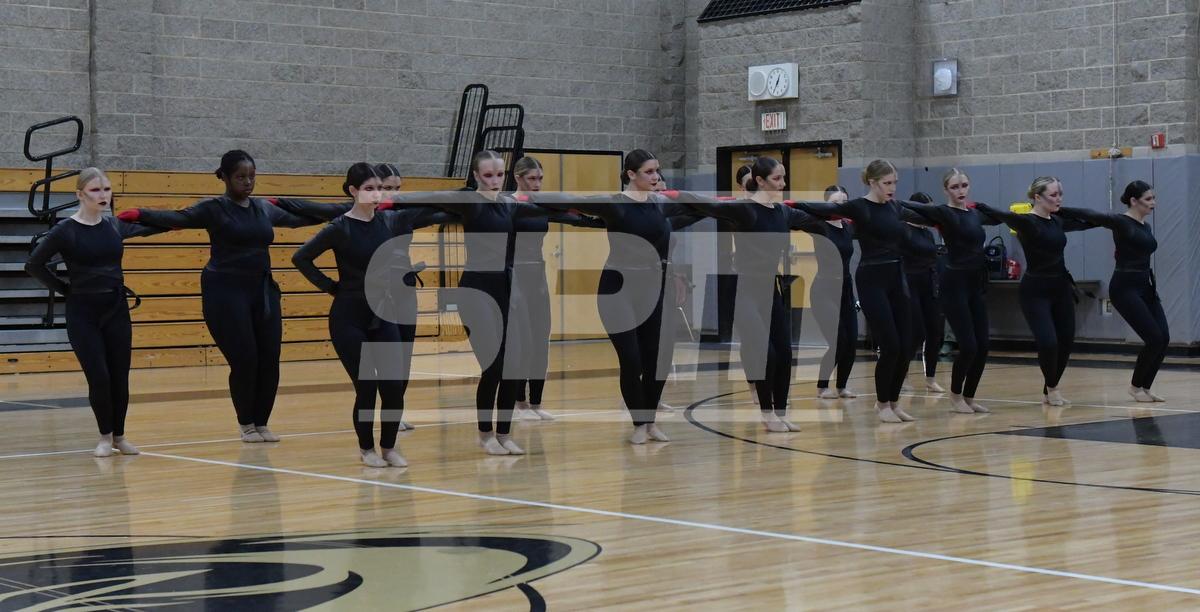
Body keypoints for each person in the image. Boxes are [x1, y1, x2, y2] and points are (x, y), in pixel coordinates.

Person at [117, 150, 323, 442]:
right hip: (225, 292)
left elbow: (299, 219)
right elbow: (177, 218)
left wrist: (347, 210)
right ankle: (246, 424)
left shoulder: (263, 208)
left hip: (262, 291)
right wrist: (140, 213)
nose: (248, 182)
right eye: (240, 177)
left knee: (270, 359)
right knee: (245, 359)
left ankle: (262, 422)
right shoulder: (213, 208)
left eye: (252, 176)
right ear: (224, 177)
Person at [525, 149, 700, 444]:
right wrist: (525, 197)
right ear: (631, 174)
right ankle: (639, 424)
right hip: (617, 289)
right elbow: (571, 202)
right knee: (631, 360)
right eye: (649, 171)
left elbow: (697, 207)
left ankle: (650, 421)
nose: (656, 176)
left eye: (657, 170)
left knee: (657, 360)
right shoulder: (615, 204)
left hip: (652, 287)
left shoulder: (661, 204)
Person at [290, 163, 452, 467]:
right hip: (349, 317)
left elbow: (427, 219)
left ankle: (389, 448)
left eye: (379, 188)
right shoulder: (339, 228)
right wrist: (331, 287)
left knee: (393, 384)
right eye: (369, 188)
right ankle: (367, 449)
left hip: (384, 312)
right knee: (367, 386)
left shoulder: (389, 222)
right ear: (353, 191)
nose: (376, 194)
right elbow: (301, 257)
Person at [666, 157, 832, 432]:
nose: (783, 183)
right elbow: (705, 203)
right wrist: (668, 194)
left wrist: (851, 216)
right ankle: (767, 414)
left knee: (784, 353)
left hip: (771, 291)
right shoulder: (744, 210)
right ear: (760, 181)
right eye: (777, 178)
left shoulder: (783, 213)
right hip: (745, 291)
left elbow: (815, 217)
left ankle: (780, 412)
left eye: (784, 177)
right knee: (766, 354)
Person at [26, 168, 166, 457]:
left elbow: (154, 226)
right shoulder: (65, 230)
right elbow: (34, 265)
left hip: (116, 310)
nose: (103, 195)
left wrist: (185, 219)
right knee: (99, 377)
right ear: (80, 194)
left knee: (119, 377)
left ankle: (120, 436)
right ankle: (104, 437)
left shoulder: (114, 226)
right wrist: (65, 290)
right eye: (95, 190)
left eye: (106, 189)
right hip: (83, 314)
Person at [793, 160, 928, 423]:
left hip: (896, 278)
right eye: (887, 183)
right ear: (872, 182)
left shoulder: (895, 207)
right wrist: (787, 204)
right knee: (890, 345)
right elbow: (823, 209)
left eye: (895, 182)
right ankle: (882, 403)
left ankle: (894, 402)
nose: (892, 188)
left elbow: (924, 213)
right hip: (871, 280)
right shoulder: (858, 207)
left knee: (906, 345)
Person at [975, 177, 1094, 406]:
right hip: (1035, 291)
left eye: (1060, 194)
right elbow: (1002, 215)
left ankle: (1050, 388)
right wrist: (981, 206)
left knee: (1065, 342)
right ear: (1037, 197)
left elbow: (1089, 220)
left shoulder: (1057, 220)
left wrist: (1111, 221)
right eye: (1053, 195)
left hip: (1060, 288)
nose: (1059, 199)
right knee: (1048, 342)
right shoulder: (1027, 222)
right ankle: (1052, 388)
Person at [900, 170, 1002, 414]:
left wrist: (985, 206)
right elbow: (909, 208)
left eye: (964, 185)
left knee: (983, 346)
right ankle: (956, 397)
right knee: (968, 346)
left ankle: (969, 397)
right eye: (955, 187)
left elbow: (1000, 218)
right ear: (946, 190)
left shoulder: (975, 214)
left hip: (976, 285)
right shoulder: (943, 213)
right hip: (954, 285)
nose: (961, 190)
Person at [1057, 181, 1168, 402]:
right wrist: (1059, 210)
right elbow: (1091, 214)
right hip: (1125, 289)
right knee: (1154, 338)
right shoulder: (1121, 222)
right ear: (1133, 201)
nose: (1153, 203)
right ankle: (1135, 388)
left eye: (1153, 198)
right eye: (1148, 199)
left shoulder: (1146, 227)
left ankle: (1146, 387)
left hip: (1145, 286)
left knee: (1163, 338)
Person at [812, 185, 858, 400]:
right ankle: (822, 386)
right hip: (824, 290)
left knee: (852, 341)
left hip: (845, 289)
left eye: (844, 202)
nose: (841, 206)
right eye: (835, 202)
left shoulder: (848, 226)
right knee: (839, 340)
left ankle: (842, 386)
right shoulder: (818, 226)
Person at [902, 192, 946, 394]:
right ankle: (902, 374)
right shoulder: (904, 230)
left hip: (929, 284)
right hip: (910, 285)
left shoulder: (928, 233)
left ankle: (930, 378)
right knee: (916, 332)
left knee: (935, 331)